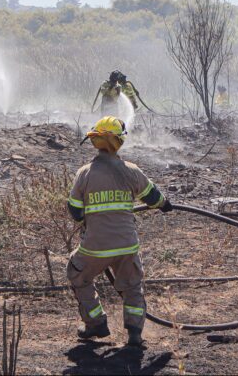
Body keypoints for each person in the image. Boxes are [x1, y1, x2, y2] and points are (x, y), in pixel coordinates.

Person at [66, 116, 172, 347]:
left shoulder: (84, 173)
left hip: (95, 247)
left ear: (95, 140)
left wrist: (88, 217)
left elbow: (74, 210)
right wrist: (166, 204)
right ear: (119, 142)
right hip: (126, 245)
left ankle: (95, 323)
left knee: (77, 273)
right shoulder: (131, 171)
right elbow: (154, 198)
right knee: (132, 285)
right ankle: (134, 334)